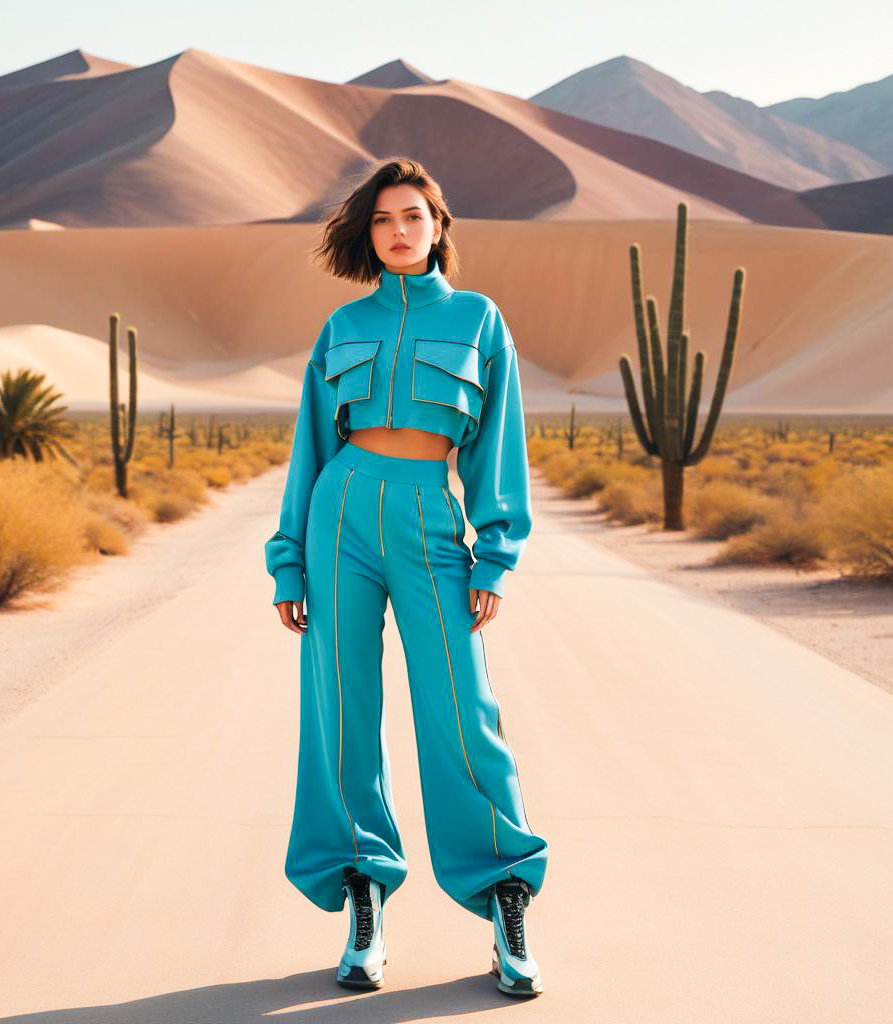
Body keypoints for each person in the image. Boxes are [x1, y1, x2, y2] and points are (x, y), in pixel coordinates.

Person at [264, 157, 548, 998]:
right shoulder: (341, 326)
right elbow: (310, 447)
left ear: (438, 228)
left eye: (413, 216)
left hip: (431, 518)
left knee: (462, 712)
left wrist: (494, 553)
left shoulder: (477, 320)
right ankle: (363, 896)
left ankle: (505, 894)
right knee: (342, 712)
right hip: (338, 511)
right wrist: (289, 560)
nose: (398, 230)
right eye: (384, 218)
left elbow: (498, 448)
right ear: (370, 231)